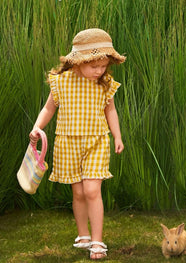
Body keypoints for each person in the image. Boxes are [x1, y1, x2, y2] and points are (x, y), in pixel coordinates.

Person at [29, 28, 126, 260]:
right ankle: (83, 235)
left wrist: (117, 136)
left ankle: (97, 241)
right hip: (68, 143)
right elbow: (49, 108)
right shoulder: (61, 82)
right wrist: (37, 126)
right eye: (95, 66)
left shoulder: (105, 83)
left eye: (104, 66)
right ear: (78, 62)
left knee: (92, 190)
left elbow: (110, 109)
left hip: (96, 141)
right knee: (79, 192)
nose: (100, 71)